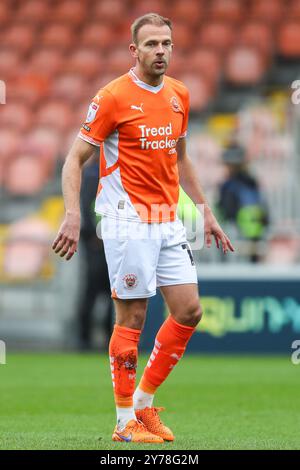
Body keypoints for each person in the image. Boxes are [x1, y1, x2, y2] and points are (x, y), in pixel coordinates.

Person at [52, 13, 234, 444]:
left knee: (189, 310)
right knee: (132, 316)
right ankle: (122, 423)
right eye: (151, 44)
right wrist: (73, 214)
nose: (161, 51)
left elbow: (181, 157)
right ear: (134, 50)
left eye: (166, 43)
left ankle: (143, 403)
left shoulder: (179, 95)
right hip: (126, 219)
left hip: (167, 218)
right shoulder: (113, 96)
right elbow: (74, 159)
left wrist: (205, 209)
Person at [77, 154, 114, 350]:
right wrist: (96, 235)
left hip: (98, 240)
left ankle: (87, 337)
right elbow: (88, 207)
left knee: (95, 292)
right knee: (103, 292)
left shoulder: (92, 174)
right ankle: (90, 337)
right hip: (97, 242)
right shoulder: (95, 175)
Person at [218, 143, 268, 262]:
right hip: (255, 239)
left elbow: (226, 212)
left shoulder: (229, 186)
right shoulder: (253, 183)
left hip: (236, 237)